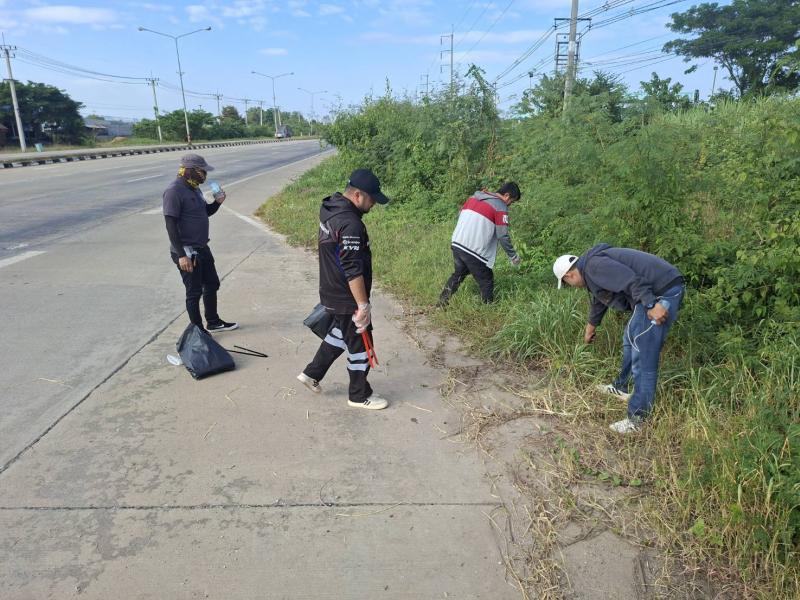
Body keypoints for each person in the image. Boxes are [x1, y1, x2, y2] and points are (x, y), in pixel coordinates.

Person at [553, 244, 685, 434]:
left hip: (660, 293)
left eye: (567, 284)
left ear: (569, 276)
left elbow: (632, 280)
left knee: (644, 355)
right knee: (630, 338)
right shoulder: (592, 268)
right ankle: (621, 386)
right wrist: (591, 327)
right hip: (654, 291)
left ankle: (638, 419)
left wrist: (651, 304)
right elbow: (601, 298)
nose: (572, 287)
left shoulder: (594, 267)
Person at [296, 168, 390, 410]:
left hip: (330, 290)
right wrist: (362, 305)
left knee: (339, 334)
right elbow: (352, 269)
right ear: (358, 195)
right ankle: (359, 395)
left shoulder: (331, 208)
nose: (374, 204)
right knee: (361, 345)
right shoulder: (350, 224)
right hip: (346, 296)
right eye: (372, 199)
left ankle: (311, 373)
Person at [163, 153, 238, 333]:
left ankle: (213, 322)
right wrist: (182, 255)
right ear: (190, 170)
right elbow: (170, 225)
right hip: (187, 251)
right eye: (201, 171)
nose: (204, 175)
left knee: (212, 284)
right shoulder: (174, 191)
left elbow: (205, 212)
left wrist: (217, 203)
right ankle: (198, 332)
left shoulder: (194, 188)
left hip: (202, 247)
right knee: (194, 292)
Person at [437, 182, 522, 306]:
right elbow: (502, 235)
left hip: (457, 242)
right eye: (511, 201)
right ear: (507, 195)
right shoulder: (500, 206)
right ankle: (487, 310)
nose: (509, 205)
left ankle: (441, 303)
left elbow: (460, 215)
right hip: (474, 249)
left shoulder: (473, 197)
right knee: (486, 280)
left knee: (458, 274)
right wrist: (513, 256)